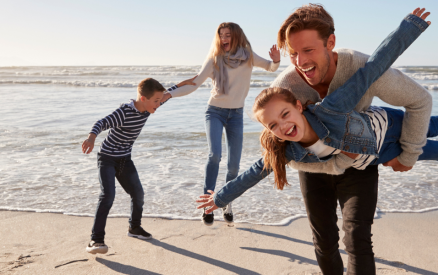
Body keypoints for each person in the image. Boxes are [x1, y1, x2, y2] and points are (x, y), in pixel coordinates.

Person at [197, 6, 432, 275]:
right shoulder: (284, 90)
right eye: (293, 53)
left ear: (330, 42)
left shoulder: (343, 90)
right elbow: (261, 166)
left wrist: (410, 27)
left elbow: (392, 76)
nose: (300, 61)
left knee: (357, 239)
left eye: (308, 50)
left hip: (361, 158)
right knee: (324, 241)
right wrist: (221, 197)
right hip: (313, 168)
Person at [161, 22, 281, 226]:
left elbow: (270, 67)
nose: (224, 39)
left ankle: (226, 203)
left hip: (236, 115)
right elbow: (195, 84)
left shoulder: (248, 55)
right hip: (214, 112)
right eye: (221, 35)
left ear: (236, 37)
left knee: (233, 166)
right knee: (214, 155)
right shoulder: (214, 59)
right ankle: (207, 206)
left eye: (228, 35)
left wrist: (276, 60)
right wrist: (169, 94)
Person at [82, 77, 194, 254]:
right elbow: (101, 123)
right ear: (143, 99)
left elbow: (167, 94)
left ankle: (134, 228)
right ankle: (95, 240)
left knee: (138, 193)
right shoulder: (124, 112)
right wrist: (91, 138)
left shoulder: (149, 106)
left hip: (125, 159)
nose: (159, 103)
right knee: (108, 195)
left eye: (159, 100)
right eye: (156, 101)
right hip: (107, 158)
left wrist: (183, 84)